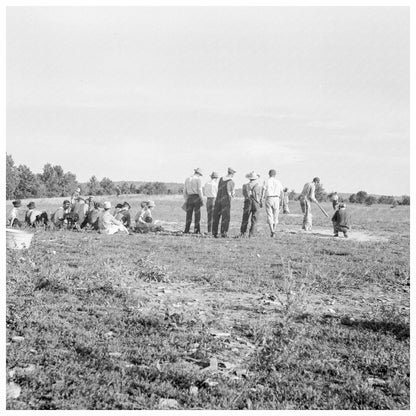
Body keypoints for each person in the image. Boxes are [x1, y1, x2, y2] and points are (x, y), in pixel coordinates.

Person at [212, 167, 236, 238]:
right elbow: (231, 193)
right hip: (225, 201)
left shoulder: (221, 179)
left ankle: (214, 232)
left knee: (216, 217)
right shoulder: (231, 182)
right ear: (232, 174)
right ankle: (223, 233)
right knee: (225, 218)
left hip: (218, 200)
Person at [261, 169, 284, 237]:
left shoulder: (266, 181)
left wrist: (261, 199)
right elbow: (282, 192)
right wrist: (282, 201)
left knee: (269, 214)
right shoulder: (278, 181)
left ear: (269, 174)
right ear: (275, 174)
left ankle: (272, 230)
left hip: (269, 198)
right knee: (276, 215)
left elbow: (263, 190)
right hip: (277, 198)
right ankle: (274, 229)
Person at [238, 172, 262, 237]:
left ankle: (243, 233)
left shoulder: (245, 186)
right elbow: (259, 196)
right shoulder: (258, 186)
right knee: (254, 219)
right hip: (256, 202)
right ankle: (252, 234)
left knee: (245, 218)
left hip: (247, 202)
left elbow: (244, 194)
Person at [183, 168, 204, 234]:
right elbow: (200, 190)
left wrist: (186, 199)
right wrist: (201, 199)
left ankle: (186, 230)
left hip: (189, 197)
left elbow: (184, 190)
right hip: (196, 197)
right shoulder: (198, 179)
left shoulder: (187, 179)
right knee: (197, 215)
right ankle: (196, 230)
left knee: (188, 215)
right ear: (199, 174)